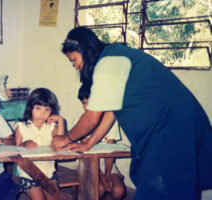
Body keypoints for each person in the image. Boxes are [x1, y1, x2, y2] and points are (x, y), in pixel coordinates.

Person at [51, 27, 212, 200]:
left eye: (73, 60)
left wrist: (66, 138)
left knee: (163, 187)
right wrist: (89, 143)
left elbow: (91, 118)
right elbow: (112, 111)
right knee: (168, 185)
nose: (75, 66)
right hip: (175, 121)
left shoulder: (108, 62)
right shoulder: (114, 56)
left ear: (80, 47)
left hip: (170, 126)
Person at [74, 81, 125, 200]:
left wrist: (107, 174)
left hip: (107, 164)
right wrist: (102, 176)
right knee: (99, 190)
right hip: (87, 164)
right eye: (85, 103)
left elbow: (110, 152)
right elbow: (88, 155)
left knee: (118, 191)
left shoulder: (111, 122)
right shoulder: (80, 122)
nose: (88, 107)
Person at [14, 88, 65, 200]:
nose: (42, 113)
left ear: (52, 111)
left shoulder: (52, 127)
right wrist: (24, 143)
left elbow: (60, 145)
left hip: (49, 173)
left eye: (46, 109)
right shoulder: (22, 126)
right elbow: (16, 149)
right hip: (28, 174)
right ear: (30, 108)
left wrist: (60, 121)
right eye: (38, 108)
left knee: (55, 198)